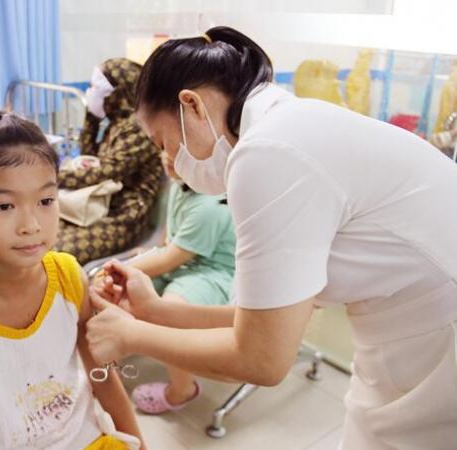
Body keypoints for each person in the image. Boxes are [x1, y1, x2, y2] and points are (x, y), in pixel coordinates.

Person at [86, 26, 457, 450]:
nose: (169, 164)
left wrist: (130, 335)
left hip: (439, 338)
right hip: (408, 330)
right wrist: (152, 310)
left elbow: (261, 358)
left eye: (164, 143)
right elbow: (261, 320)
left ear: (190, 104)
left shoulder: (266, 154)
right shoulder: (286, 127)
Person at [0, 111, 143, 450]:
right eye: (4, 206)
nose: (31, 224)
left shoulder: (67, 275)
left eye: (46, 201)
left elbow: (101, 373)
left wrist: (136, 440)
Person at [96, 150, 235, 414]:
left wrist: (120, 269)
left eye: (179, 152)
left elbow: (170, 259)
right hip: (181, 260)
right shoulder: (180, 184)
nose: (167, 157)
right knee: (115, 294)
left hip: (212, 272)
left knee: (171, 311)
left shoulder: (209, 206)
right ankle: (106, 370)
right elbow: (167, 240)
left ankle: (182, 390)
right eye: (164, 147)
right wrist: (143, 257)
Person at [55, 58, 163, 265]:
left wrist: (50, 179)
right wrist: (92, 118)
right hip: (96, 204)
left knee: (56, 253)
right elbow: (89, 156)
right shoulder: (117, 122)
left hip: (122, 217)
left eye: (96, 87)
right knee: (41, 238)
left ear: (118, 92)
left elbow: (104, 172)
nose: (90, 91)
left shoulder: (138, 128)